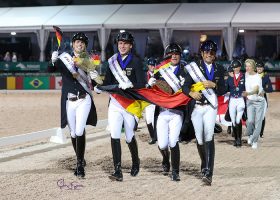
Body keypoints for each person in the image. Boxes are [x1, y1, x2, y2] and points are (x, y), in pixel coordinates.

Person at [49, 32, 97, 178]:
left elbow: (94, 82)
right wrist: (53, 60)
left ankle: (80, 165)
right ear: (73, 44)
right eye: (77, 42)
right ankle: (80, 159)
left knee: (80, 130)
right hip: (69, 101)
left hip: (84, 99)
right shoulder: (65, 58)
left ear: (85, 46)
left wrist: (94, 77)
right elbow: (50, 70)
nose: (80, 44)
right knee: (72, 133)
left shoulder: (90, 60)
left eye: (82, 43)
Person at [101, 31, 146, 181]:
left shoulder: (137, 62)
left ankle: (135, 162)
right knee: (114, 134)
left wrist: (130, 85)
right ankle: (117, 170)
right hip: (115, 103)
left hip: (130, 105)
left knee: (129, 136)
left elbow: (142, 84)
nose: (122, 46)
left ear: (131, 45)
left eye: (125, 43)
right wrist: (99, 86)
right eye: (120, 43)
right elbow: (107, 81)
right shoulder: (112, 61)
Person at [184, 40, 226, 185]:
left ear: (215, 55)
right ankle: (204, 162)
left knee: (209, 135)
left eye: (212, 52)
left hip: (210, 107)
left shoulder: (220, 69)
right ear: (202, 53)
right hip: (196, 108)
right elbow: (185, 86)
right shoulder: (195, 68)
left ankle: (209, 171)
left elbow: (223, 90)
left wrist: (215, 84)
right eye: (207, 52)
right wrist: (190, 93)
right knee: (199, 139)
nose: (209, 54)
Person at [148, 43, 188, 181]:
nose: (174, 56)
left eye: (177, 53)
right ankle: (165, 158)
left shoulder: (185, 71)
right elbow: (152, 91)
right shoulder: (160, 71)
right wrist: (150, 83)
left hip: (177, 112)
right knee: (162, 144)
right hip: (163, 111)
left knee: (173, 142)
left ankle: (175, 172)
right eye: (172, 54)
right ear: (167, 56)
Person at [242, 59, 265, 149]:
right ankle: (250, 135)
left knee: (258, 122)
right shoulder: (246, 74)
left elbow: (256, 90)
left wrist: (248, 93)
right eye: (246, 66)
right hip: (250, 101)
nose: (247, 68)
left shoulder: (257, 77)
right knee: (250, 121)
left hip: (259, 101)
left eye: (249, 66)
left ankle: (254, 141)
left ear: (253, 67)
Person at [226, 60, 246, 147]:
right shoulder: (229, 78)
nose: (235, 69)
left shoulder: (244, 77)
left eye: (237, 67)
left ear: (240, 67)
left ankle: (239, 140)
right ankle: (236, 139)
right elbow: (225, 89)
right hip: (232, 100)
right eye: (234, 67)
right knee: (233, 121)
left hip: (240, 100)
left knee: (238, 120)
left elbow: (248, 87)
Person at [256, 61, 273, 138]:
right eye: (258, 67)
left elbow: (270, 89)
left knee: (262, 116)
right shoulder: (252, 76)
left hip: (262, 99)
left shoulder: (266, 77)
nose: (259, 68)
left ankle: (260, 133)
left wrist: (264, 90)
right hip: (253, 99)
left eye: (260, 67)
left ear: (263, 68)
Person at [145, 57, 157, 145]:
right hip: (148, 101)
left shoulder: (158, 74)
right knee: (148, 120)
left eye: (154, 65)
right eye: (151, 65)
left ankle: (156, 137)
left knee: (155, 120)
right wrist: (148, 84)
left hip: (157, 101)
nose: (152, 67)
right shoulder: (145, 75)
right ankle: (153, 137)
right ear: (148, 66)